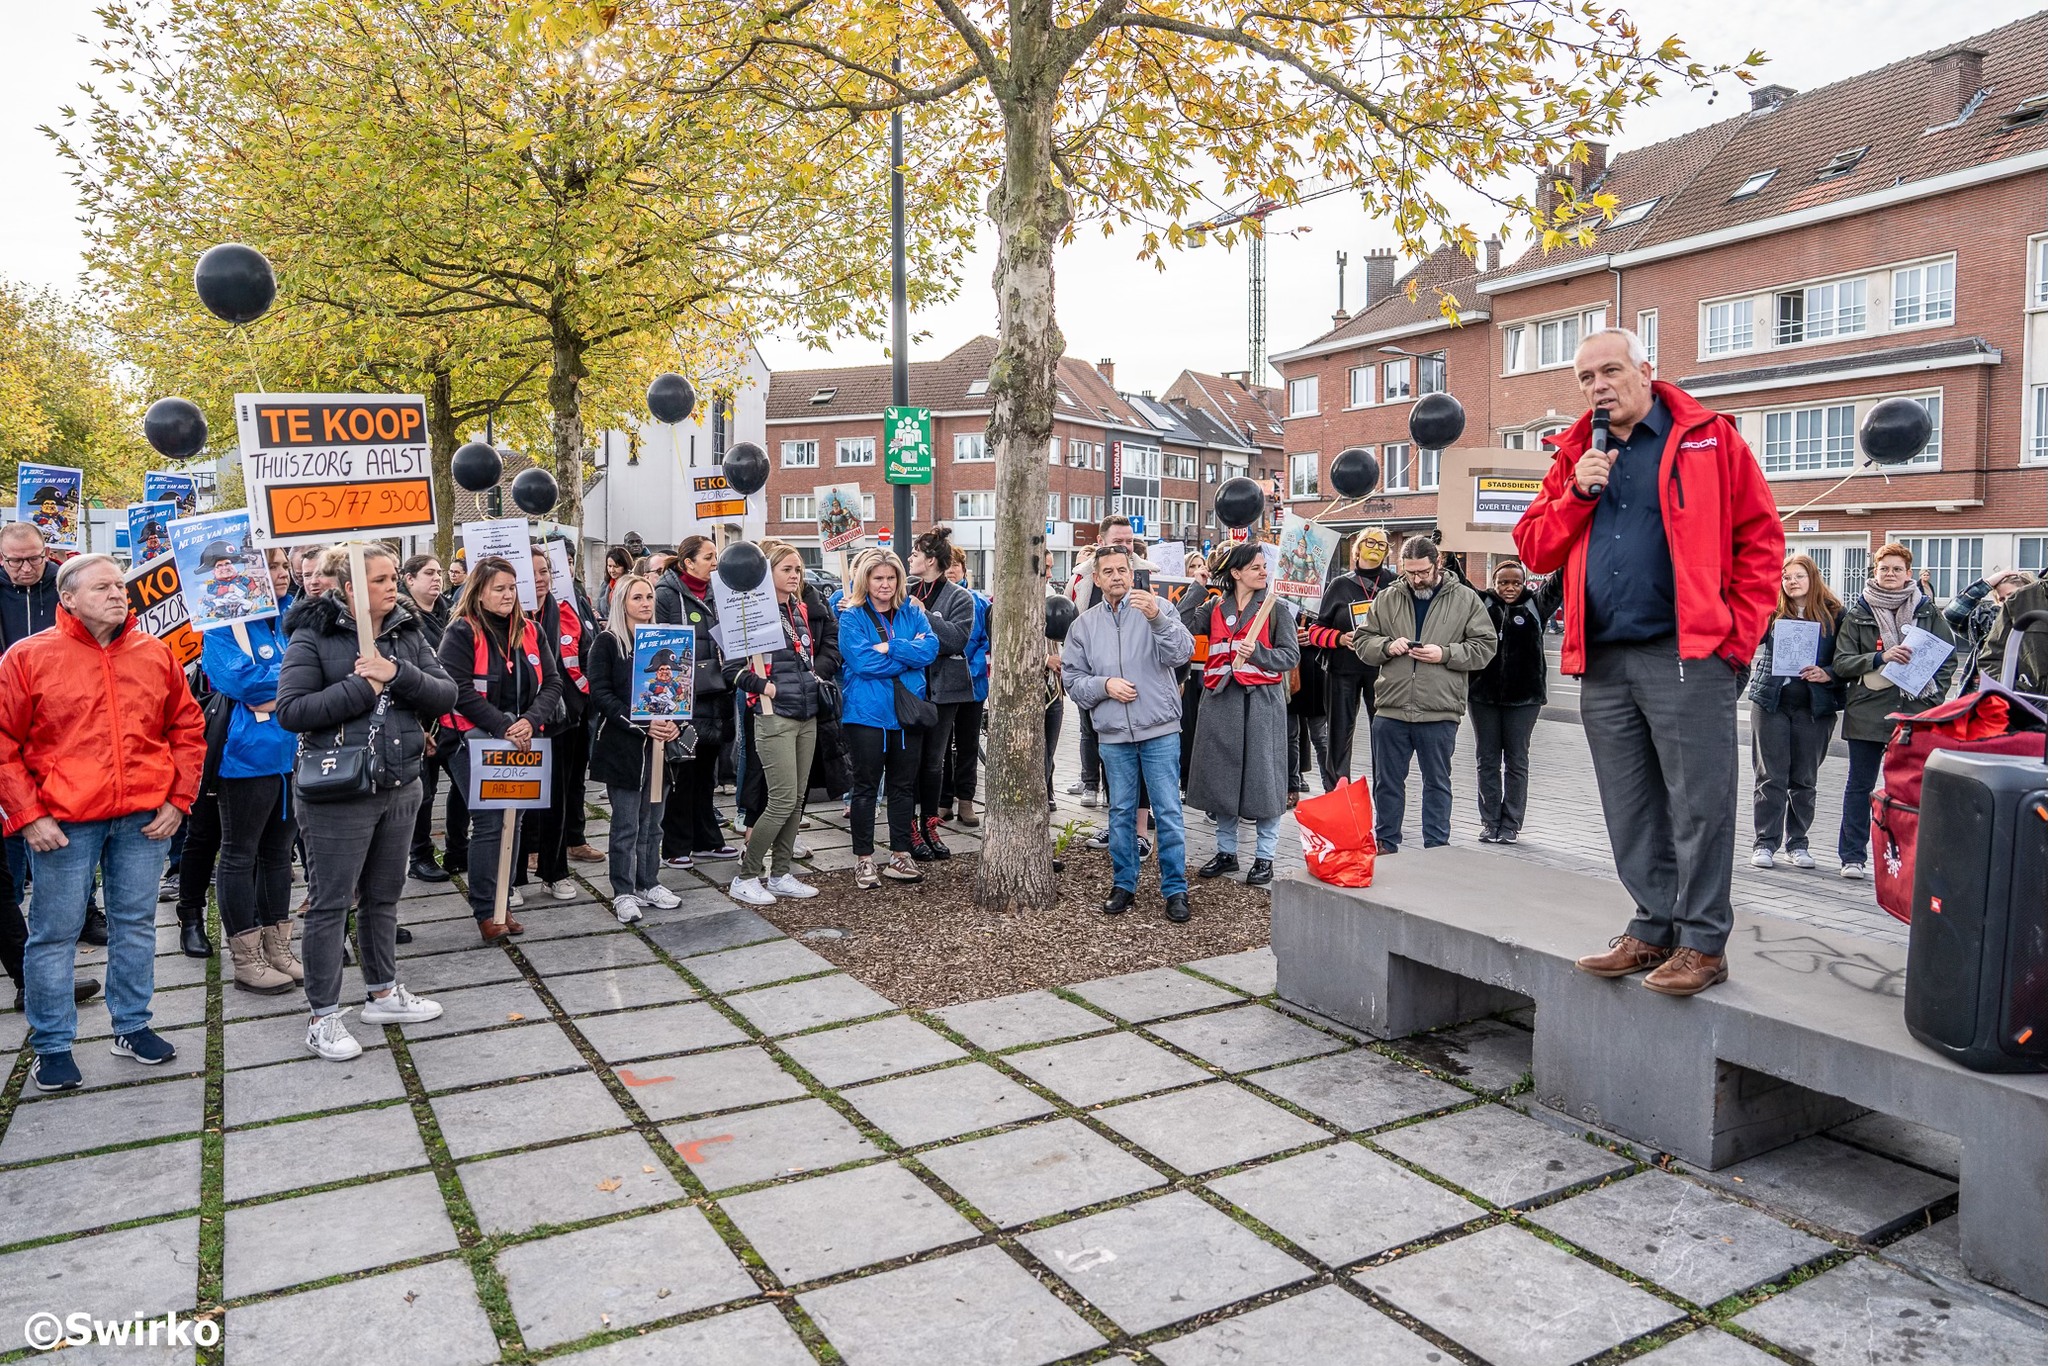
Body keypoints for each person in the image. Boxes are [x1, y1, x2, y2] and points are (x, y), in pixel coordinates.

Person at [1515, 327, 1783, 998]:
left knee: (1699, 805)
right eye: (1586, 377)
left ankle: (1702, 943)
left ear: (1645, 370)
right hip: (1603, 658)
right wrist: (1575, 493)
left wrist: (1735, 641)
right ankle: (1651, 926)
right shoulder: (1577, 451)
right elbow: (1534, 549)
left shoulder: (1708, 438)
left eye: (1610, 370)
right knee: (1629, 805)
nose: (1598, 386)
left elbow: (1761, 541)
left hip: (1688, 654)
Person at [0, 554, 204, 1090]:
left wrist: (178, 798)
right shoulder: (28, 657)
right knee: (53, 935)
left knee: (135, 924)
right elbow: (4, 743)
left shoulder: (153, 652)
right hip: (63, 823)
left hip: (143, 817)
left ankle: (133, 1026)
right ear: (67, 598)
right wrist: (28, 816)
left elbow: (186, 727)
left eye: (121, 585)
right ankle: (52, 1045)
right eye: (103, 587)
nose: (119, 594)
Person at [278, 544, 456, 1059]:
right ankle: (323, 1015)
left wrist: (396, 674)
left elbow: (445, 694)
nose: (393, 586)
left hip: (400, 784)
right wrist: (362, 686)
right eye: (380, 579)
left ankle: (383, 991)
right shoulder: (313, 634)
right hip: (339, 793)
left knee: (384, 895)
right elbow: (292, 710)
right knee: (330, 902)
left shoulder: (406, 629)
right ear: (350, 586)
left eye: (393, 576)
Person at [1062, 544, 1195, 921]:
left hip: (1160, 729)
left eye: (1123, 569)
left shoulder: (1159, 608)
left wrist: (1157, 619)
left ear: (1132, 572)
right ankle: (1124, 884)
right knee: (1120, 812)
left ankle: (1175, 889)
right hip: (1115, 734)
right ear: (1097, 578)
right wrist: (1105, 686)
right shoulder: (1084, 625)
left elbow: (1181, 653)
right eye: (1109, 571)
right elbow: (1073, 680)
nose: (1117, 576)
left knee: (1168, 811)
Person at [437, 555, 564, 939]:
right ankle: (485, 910)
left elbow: (553, 683)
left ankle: (502, 902)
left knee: (516, 819)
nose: (509, 595)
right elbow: (456, 690)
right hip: (470, 741)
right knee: (491, 821)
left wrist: (530, 721)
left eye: (512, 588)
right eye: (500, 589)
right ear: (479, 591)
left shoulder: (531, 630)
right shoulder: (461, 631)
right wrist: (504, 725)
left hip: (522, 738)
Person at [1353, 537, 1496, 853]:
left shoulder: (1465, 599)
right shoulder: (1388, 597)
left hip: (1439, 711)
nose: (1416, 579)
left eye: (1423, 572)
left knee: (1437, 784)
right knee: (1387, 784)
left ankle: (1436, 848)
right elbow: (1363, 642)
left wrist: (1444, 654)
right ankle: (1386, 843)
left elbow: (1486, 647)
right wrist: (1387, 646)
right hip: (1390, 709)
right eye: (1410, 572)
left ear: (1438, 564)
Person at [207, 547, 304, 994]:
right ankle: (245, 958)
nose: (281, 574)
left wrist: (278, 690)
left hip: (294, 751)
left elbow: (319, 673)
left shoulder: (296, 611)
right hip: (246, 758)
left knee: (279, 854)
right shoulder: (223, 622)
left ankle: (278, 947)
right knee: (240, 852)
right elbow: (241, 682)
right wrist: (291, 688)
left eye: (284, 565)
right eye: (269, 567)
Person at [1833, 542, 1957, 881]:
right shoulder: (1858, 613)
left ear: (1908, 574)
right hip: (1868, 713)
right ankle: (1853, 856)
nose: (1890, 574)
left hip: (1914, 712)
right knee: (1860, 786)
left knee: (1906, 790)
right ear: (1874, 572)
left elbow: (1948, 658)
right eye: (1884, 568)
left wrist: (1932, 699)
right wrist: (1879, 657)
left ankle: (1904, 859)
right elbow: (1841, 662)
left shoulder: (1928, 611)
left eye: (1896, 569)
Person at [725, 544, 833, 906]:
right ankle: (747, 875)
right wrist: (763, 686)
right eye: (786, 568)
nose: (794, 575)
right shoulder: (751, 613)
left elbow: (810, 656)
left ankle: (782, 872)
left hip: (806, 712)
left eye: (798, 569)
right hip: (774, 715)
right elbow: (731, 669)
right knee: (782, 798)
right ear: (767, 573)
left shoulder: (798, 609)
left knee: (797, 799)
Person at [1187, 544, 1299, 886]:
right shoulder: (1214, 606)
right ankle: (1226, 853)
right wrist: (1197, 585)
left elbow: (1290, 656)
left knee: (1265, 783)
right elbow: (1181, 624)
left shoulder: (1275, 609)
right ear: (1235, 573)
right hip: (1221, 700)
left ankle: (1264, 858)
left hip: (1262, 703)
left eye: (1264, 566)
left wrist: (1260, 653)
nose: (1264, 572)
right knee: (1222, 781)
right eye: (1255, 567)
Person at [837, 550, 940, 887]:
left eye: (891, 577)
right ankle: (864, 860)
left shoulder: (912, 611)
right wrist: (907, 652)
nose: (885, 584)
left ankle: (900, 854)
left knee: (902, 787)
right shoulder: (852, 617)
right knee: (865, 789)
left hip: (907, 714)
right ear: (865, 579)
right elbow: (862, 663)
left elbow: (931, 649)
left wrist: (889, 647)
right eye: (878, 577)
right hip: (867, 715)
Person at [586, 572, 684, 924]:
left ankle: (649, 882)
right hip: (624, 748)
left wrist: (675, 722)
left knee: (653, 822)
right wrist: (642, 723)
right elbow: (600, 694)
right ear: (621, 603)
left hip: (661, 750)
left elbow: (681, 691)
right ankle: (623, 891)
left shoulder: (667, 642)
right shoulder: (607, 643)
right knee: (626, 823)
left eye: (648, 597)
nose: (645, 604)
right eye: (637, 598)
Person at [1746, 555, 1847, 871]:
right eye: (1786, 577)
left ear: (1812, 578)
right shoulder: (1773, 612)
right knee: (1770, 777)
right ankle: (1765, 843)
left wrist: (1828, 673)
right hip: (1771, 701)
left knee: (1804, 779)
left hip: (1814, 707)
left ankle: (1798, 844)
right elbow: (1751, 636)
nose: (1791, 581)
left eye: (1798, 576)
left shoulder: (1836, 615)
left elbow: (1849, 658)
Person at [655, 536, 739, 865]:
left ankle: (707, 839)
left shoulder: (720, 591)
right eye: (708, 556)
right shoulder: (666, 594)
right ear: (688, 563)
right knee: (682, 773)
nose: (715, 561)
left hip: (717, 691)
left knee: (707, 773)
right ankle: (676, 845)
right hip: (683, 696)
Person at [1468, 559, 1564, 844]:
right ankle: (1490, 822)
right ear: (1493, 583)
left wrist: (1568, 549)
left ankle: (1511, 824)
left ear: (1524, 583)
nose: (1510, 588)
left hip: (1524, 699)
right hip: (1483, 697)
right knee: (1486, 760)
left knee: (1516, 761)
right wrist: (1446, 554)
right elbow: (1457, 583)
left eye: (1516, 583)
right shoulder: (1481, 603)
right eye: (1503, 583)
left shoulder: (1537, 605)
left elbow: (1558, 583)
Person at [518, 545, 593, 900]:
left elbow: (582, 656)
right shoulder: (507, 615)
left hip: (561, 720)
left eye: (544, 571)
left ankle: (555, 870)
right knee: (517, 802)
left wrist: (578, 702)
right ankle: (514, 876)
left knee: (557, 800)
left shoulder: (566, 610)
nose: (539, 579)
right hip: (518, 725)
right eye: (531, 573)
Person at [1065, 515, 1147, 807]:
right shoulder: (1082, 578)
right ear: (1100, 542)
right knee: (1093, 734)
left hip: (1139, 686)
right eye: (1118, 542)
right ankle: (1094, 786)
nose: (1126, 547)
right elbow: (1070, 624)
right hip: (1095, 678)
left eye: (1129, 541)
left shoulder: (1149, 575)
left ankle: (1139, 813)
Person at [906, 526, 977, 860]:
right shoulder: (904, 589)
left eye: (916, 554)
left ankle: (930, 824)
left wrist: (925, 616)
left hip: (944, 692)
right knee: (908, 761)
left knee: (934, 762)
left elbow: (955, 641)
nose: (910, 558)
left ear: (931, 560)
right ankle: (908, 828)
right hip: (909, 687)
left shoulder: (960, 597)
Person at [1314, 529, 1396, 788]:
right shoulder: (1340, 585)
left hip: (1383, 670)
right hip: (1343, 670)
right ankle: (1337, 794)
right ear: (1357, 549)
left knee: (1384, 734)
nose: (1375, 548)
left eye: (1381, 545)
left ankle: (1385, 799)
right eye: (1369, 543)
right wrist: (1339, 638)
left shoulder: (1395, 584)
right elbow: (1316, 630)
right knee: (1339, 735)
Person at [398, 554, 460, 883]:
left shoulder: (447, 611)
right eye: (428, 573)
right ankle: (419, 854)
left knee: (464, 785)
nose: (437, 578)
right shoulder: (403, 619)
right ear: (408, 580)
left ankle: (457, 847)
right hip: (421, 718)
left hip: (452, 711)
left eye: (439, 572)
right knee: (424, 791)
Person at [940, 547, 989, 827]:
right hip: (944, 686)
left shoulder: (978, 602)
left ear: (963, 568)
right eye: (945, 564)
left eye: (955, 564)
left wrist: (968, 670)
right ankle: (943, 801)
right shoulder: (936, 598)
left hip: (972, 685)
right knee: (942, 745)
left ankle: (966, 801)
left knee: (968, 744)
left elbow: (985, 641)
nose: (950, 569)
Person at [1943, 567, 2034, 691]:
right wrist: (1988, 583)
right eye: (2001, 599)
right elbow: (1952, 613)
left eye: (2012, 595)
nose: (2007, 602)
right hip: (1984, 695)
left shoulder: (2039, 622)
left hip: (2026, 697)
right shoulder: (1987, 622)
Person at [598, 545, 634, 615]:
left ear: (625, 566)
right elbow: (599, 608)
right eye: (609, 566)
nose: (612, 570)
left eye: (616, 567)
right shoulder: (606, 584)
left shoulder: (632, 585)